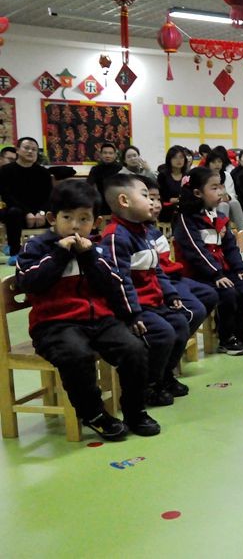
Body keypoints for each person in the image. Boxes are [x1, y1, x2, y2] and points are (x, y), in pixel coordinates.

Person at [15, 180, 160, 440]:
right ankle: (94, 414)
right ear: (52, 218)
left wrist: (91, 257)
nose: (75, 226)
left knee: (135, 348)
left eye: (83, 219)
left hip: (99, 320)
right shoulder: (36, 248)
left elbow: (114, 284)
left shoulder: (97, 247)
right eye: (67, 217)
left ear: (96, 222)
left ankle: (135, 410)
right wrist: (59, 255)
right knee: (76, 355)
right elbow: (28, 281)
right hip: (54, 325)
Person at [100, 175, 191, 407]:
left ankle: (164, 376)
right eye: (144, 196)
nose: (152, 201)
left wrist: (170, 294)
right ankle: (149, 385)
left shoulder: (144, 232)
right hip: (136, 308)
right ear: (124, 201)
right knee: (163, 334)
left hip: (154, 302)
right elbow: (118, 281)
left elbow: (156, 270)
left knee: (181, 324)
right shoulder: (115, 236)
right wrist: (131, 314)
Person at [173, 167, 243, 355]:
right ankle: (226, 337)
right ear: (197, 193)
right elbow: (196, 251)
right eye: (214, 188)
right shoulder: (185, 219)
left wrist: (240, 269)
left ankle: (242, 332)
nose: (220, 192)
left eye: (221, 187)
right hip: (199, 274)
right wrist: (216, 273)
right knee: (228, 293)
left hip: (220, 271)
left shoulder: (219, 216)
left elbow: (230, 247)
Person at [141, 176, 218, 339]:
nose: (156, 205)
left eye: (158, 199)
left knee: (210, 294)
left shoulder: (152, 230)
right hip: (163, 282)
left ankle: (178, 339)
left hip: (173, 277)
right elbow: (156, 272)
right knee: (195, 311)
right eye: (150, 199)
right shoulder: (134, 235)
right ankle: (173, 342)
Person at [0, 137, 53, 264]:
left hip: (39, 215)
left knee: (58, 213)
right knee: (14, 212)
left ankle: (51, 252)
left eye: (34, 149)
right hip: (16, 213)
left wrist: (41, 212)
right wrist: (27, 213)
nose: (30, 151)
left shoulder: (43, 173)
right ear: (18, 150)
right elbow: (7, 196)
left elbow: (49, 197)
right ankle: (15, 252)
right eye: (26, 148)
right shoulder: (5, 171)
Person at [206, 147, 243, 228]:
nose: (217, 164)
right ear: (208, 163)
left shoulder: (226, 175)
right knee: (223, 205)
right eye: (213, 162)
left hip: (227, 201)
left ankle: (241, 231)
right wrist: (219, 198)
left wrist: (227, 197)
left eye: (219, 162)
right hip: (210, 206)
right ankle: (223, 231)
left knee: (234, 202)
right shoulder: (204, 176)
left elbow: (232, 194)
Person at [156, 146, 189, 223]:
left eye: (181, 157)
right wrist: (171, 200)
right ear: (169, 159)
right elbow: (160, 195)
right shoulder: (163, 176)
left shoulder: (188, 176)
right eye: (175, 157)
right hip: (167, 210)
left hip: (184, 209)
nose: (179, 160)